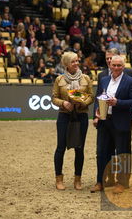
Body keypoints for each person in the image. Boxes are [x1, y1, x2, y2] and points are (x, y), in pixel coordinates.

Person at [90, 48, 132, 192]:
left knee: (122, 153)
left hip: (122, 122)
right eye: (114, 65)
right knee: (101, 153)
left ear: (123, 66)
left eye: (119, 65)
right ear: (110, 65)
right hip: (104, 121)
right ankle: (100, 181)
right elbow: (98, 97)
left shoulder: (130, 81)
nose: (116, 68)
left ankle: (122, 183)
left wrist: (118, 102)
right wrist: (96, 113)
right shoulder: (104, 79)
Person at [51, 52, 93, 190]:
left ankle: (77, 179)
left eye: (77, 61)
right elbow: (54, 98)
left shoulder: (86, 78)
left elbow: (91, 97)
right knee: (60, 147)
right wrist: (63, 103)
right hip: (64, 115)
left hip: (81, 116)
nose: (76, 63)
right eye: (73, 61)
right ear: (66, 64)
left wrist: (83, 103)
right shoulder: (59, 79)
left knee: (79, 148)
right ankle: (59, 179)